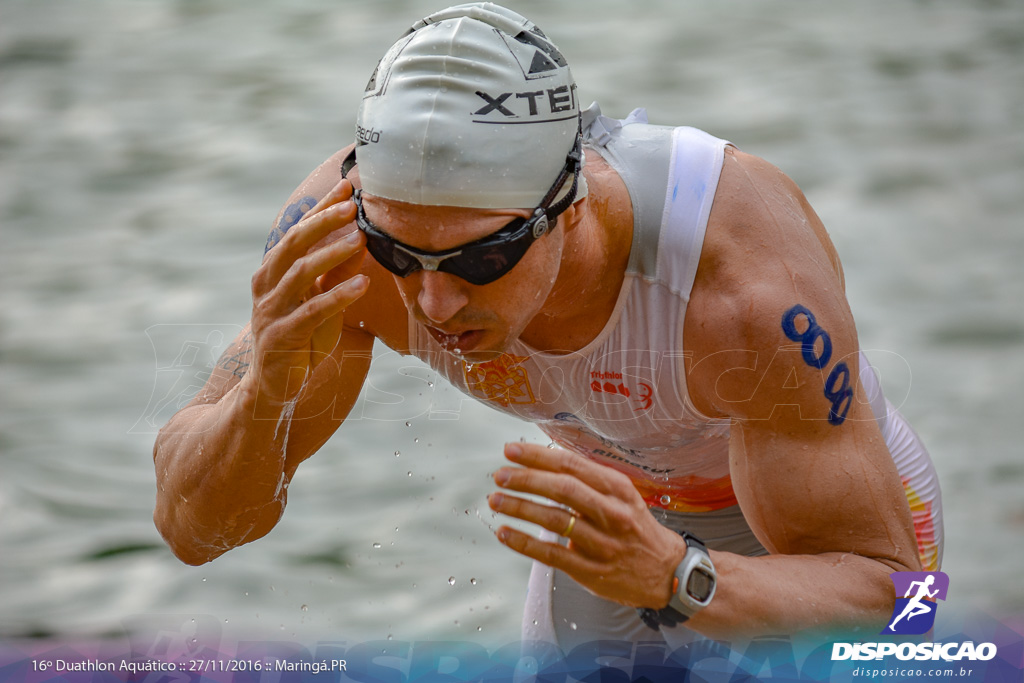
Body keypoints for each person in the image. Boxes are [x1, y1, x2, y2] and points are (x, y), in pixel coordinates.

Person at [153, 2, 943, 647]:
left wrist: (676, 574)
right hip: (612, 513)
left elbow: (900, 606)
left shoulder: (737, 289)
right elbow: (192, 530)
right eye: (400, 251)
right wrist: (266, 397)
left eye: (480, 260)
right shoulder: (338, 251)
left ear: (568, 207)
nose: (433, 304)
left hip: (799, 534)